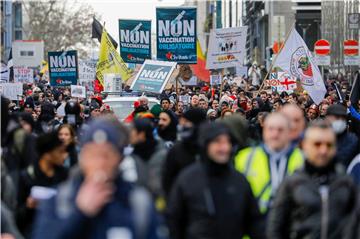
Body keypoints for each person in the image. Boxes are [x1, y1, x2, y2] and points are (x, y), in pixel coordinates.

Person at [32, 117, 159, 239]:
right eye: (92, 154)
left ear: (119, 159)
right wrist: (79, 213)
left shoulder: (137, 203)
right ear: (82, 158)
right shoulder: (60, 201)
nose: (100, 163)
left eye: (106, 155)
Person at [166, 122, 265, 239]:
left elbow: (254, 222)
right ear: (206, 144)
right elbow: (174, 222)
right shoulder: (187, 179)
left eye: (227, 142)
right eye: (218, 141)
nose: (225, 147)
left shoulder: (239, 180)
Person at [267, 120, 358, 239]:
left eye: (329, 145)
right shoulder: (292, 184)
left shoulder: (347, 183)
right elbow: (275, 228)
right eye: (317, 144)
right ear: (305, 146)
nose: (323, 150)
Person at [234, 113, 304, 214]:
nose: (275, 134)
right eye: (270, 129)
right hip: (255, 223)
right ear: (264, 131)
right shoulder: (245, 158)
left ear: (289, 132)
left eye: (280, 130)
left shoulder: (303, 159)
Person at [17, 131, 68, 236]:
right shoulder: (27, 176)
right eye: (60, 151)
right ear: (47, 154)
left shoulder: (65, 175)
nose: (64, 156)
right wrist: (28, 206)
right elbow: (17, 216)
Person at [162, 108, 207, 197]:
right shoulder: (177, 149)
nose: (182, 125)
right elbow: (168, 180)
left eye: (186, 122)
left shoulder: (209, 148)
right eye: (182, 122)